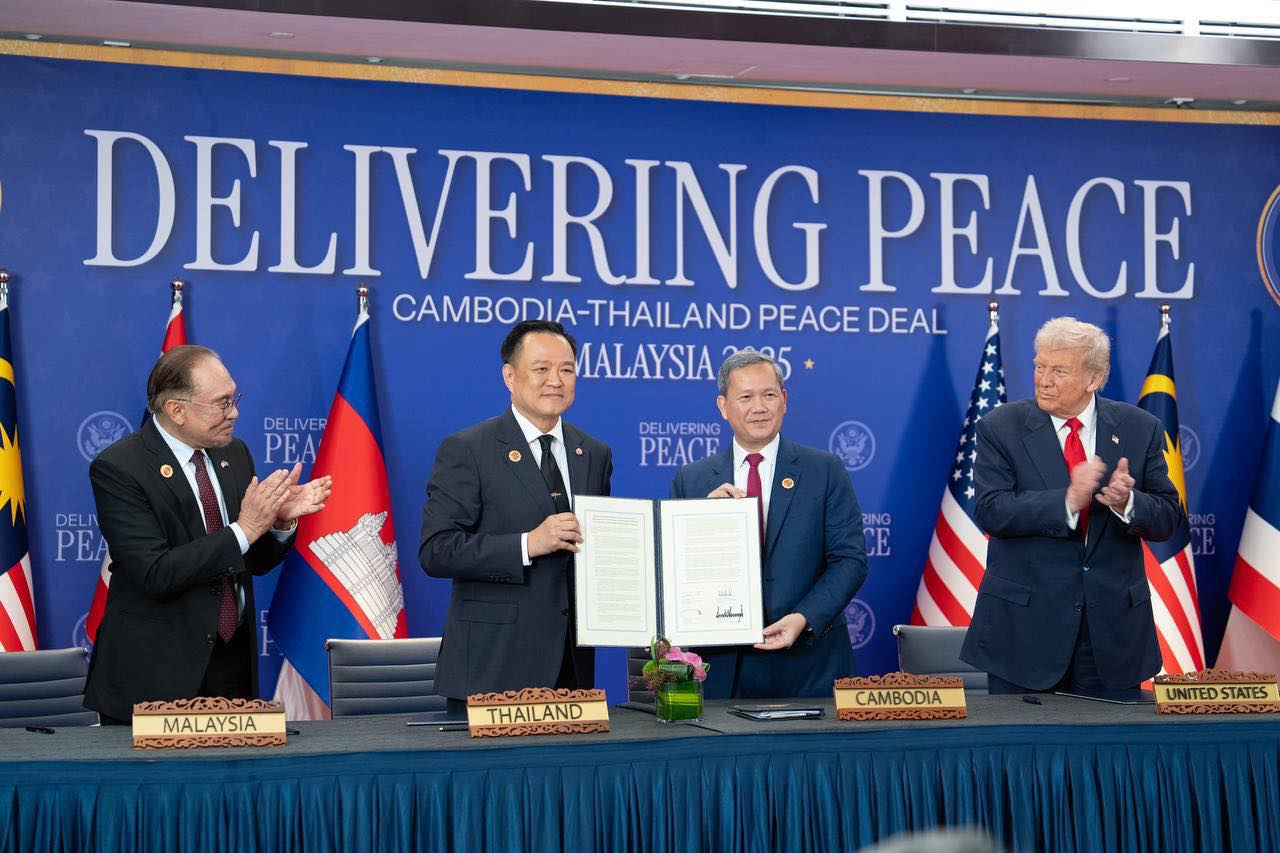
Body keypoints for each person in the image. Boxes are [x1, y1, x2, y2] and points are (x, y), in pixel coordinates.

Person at [84, 345, 331, 723]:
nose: (234, 413)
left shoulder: (235, 454)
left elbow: (250, 558)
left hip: (232, 666)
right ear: (176, 410)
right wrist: (246, 527)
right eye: (221, 403)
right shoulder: (120, 468)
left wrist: (277, 523)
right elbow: (155, 572)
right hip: (156, 675)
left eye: (234, 399)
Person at [960, 317, 1182, 693]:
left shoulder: (1139, 427)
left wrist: (1129, 502)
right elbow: (991, 510)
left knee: (1109, 752)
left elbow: (1168, 519)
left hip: (1112, 638)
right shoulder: (1000, 426)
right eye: (1039, 365)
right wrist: (1066, 501)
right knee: (1026, 752)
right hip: (1024, 635)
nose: (1044, 379)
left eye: (1059, 370)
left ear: (1094, 379)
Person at [420, 320, 612, 707]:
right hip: (494, 666)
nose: (556, 380)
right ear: (509, 375)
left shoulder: (593, 452)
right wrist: (527, 545)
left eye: (567, 369)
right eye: (541, 369)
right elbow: (436, 551)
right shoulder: (468, 448)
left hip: (571, 669)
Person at [669, 350, 867, 699]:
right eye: (745, 397)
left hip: (809, 663)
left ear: (784, 400)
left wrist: (804, 617)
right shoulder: (693, 481)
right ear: (723, 406)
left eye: (769, 394)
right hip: (724, 670)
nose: (758, 407)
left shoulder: (824, 470)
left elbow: (850, 560)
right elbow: (673, 573)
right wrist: (701, 522)